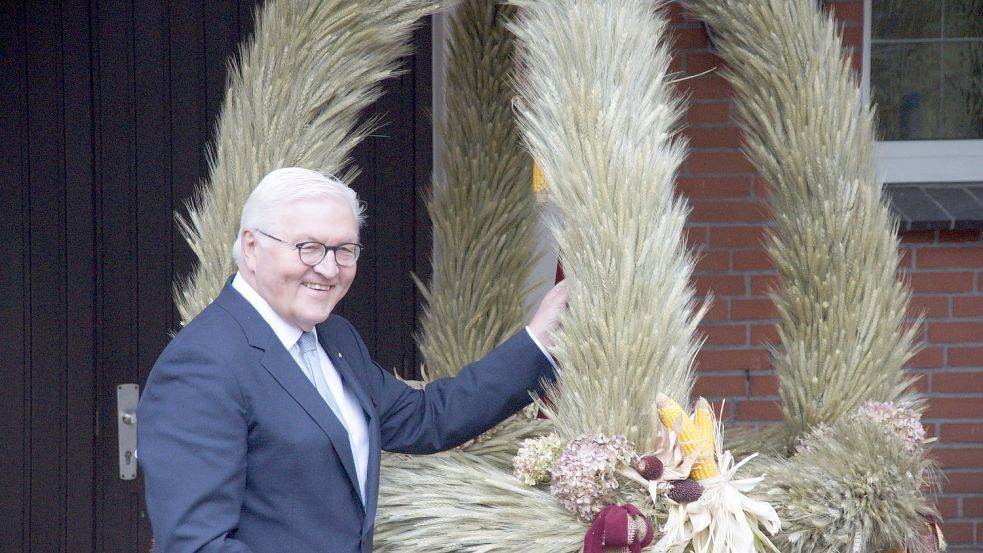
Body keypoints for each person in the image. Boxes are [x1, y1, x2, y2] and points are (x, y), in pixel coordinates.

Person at [138, 167, 567, 553]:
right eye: (308, 247)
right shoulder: (202, 366)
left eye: (345, 250)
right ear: (251, 246)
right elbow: (196, 547)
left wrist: (540, 340)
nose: (328, 269)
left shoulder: (333, 337)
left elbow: (428, 417)